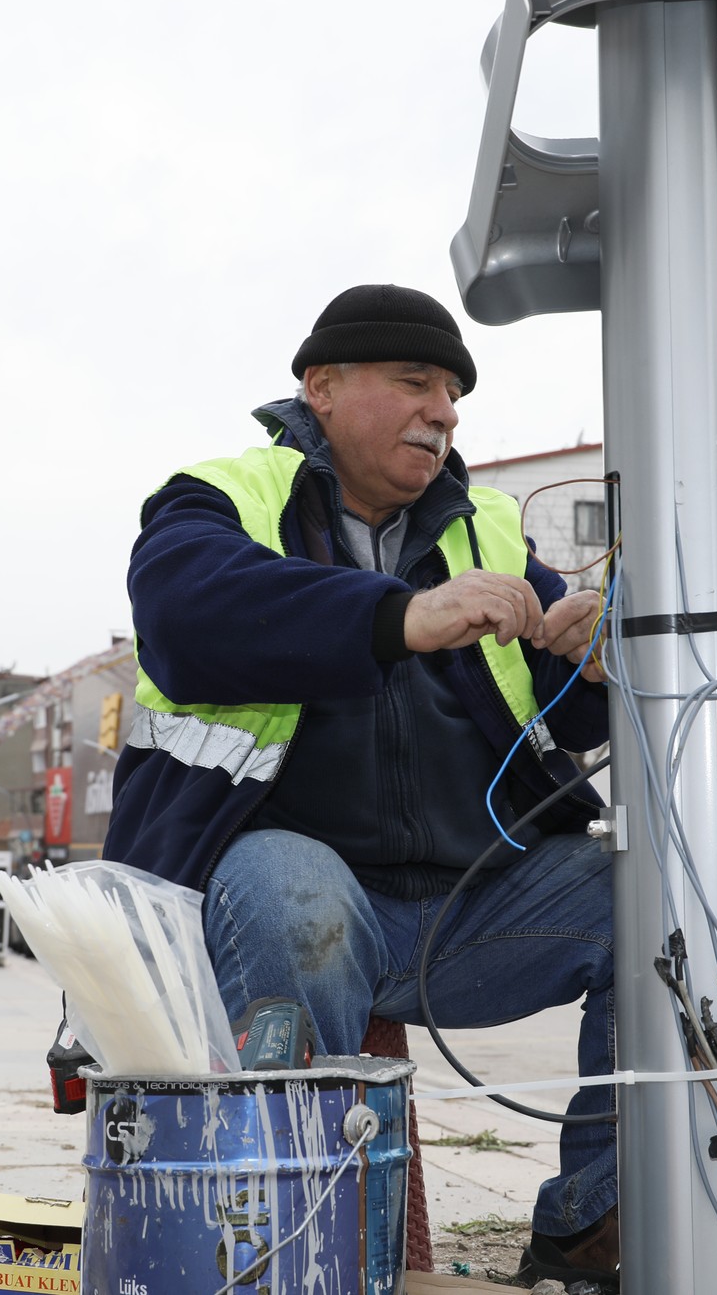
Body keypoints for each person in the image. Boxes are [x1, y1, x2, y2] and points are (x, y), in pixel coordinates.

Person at [108, 284, 619, 1289]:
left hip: (471, 908)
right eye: (415, 382)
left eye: (453, 396)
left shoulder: (490, 532)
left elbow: (564, 711)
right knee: (294, 892)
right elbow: (186, 615)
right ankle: (314, 1249)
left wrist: (592, 658)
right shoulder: (220, 497)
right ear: (323, 387)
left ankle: (589, 1223)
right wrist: (400, 617)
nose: (443, 411)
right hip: (285, 891)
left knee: (658, 912)